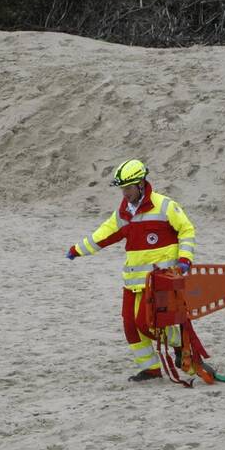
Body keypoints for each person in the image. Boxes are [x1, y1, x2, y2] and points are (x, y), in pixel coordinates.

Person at [66, 159, 197, 381]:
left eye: (128, 188)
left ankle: (181, 340)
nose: (124, 193)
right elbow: (105, 233)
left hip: (159, 280)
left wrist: (185, 259)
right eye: (122, 189)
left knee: (146, 325)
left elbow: (186, 230)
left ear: (140, 184)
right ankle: (152, 370)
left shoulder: (165, 206)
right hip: (132, 281)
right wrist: (78, 249)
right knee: (130, 327)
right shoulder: (124, 212)